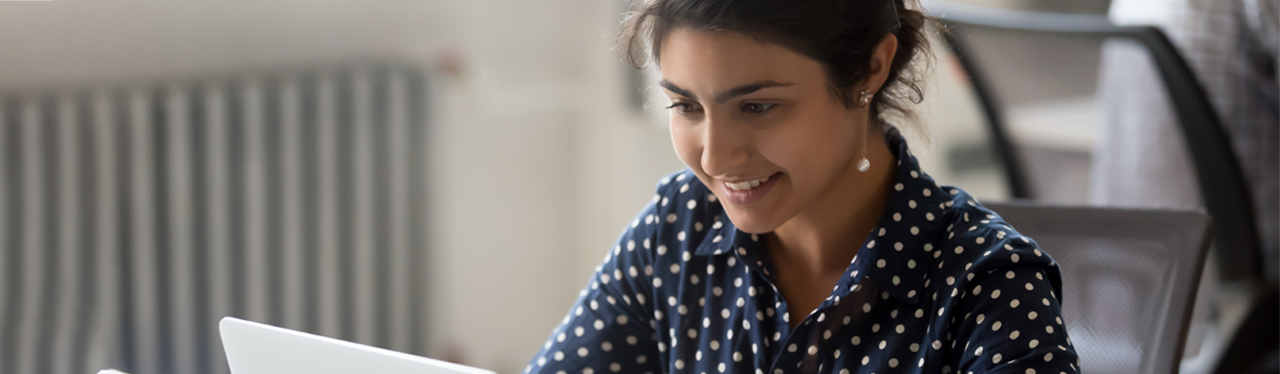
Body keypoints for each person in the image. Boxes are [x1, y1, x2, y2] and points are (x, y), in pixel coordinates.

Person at [526, 0, 1080, 372]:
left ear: (871, 68)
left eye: (759, 106)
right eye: (686, 106)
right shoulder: (678, 226)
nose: (716, 158)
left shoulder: (987, 286)